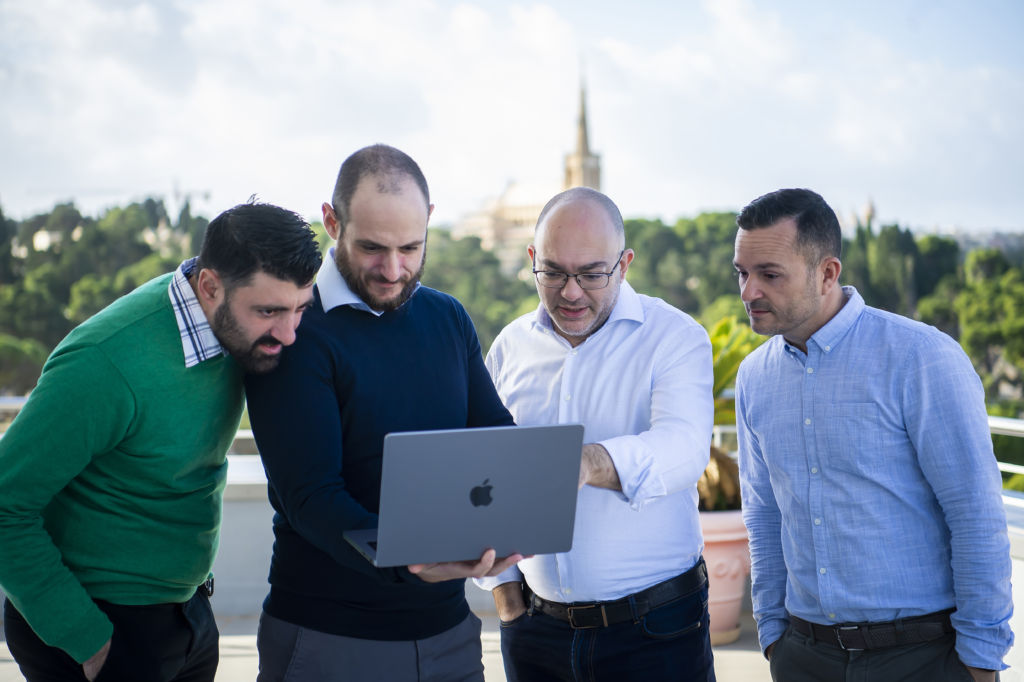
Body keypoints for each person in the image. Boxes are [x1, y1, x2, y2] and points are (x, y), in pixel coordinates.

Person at [0, 201, 322, 682]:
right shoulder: (103, 362)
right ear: (210, 286)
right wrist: (89, 640)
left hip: (187, 612)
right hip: (100, 627)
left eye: (301, 308)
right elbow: (5, 503)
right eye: (270, 311)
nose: (290, 332)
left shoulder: (242, 331)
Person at [243, 144, 521, 682]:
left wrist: (515, 514)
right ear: (331, 221)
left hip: (451, 635)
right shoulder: (293, 330)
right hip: (329, 642)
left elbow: (495, 442)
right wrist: (412, 561)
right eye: (372, 248)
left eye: (411, 248)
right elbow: (312, 499)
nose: (394, 270)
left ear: (430, 223)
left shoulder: (447, 317)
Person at [733, 188, 1013, 682]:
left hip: (922, 659)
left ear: (827, 273)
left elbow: (974, 513)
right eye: (742, 272)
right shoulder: (754, 377)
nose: (748, 292)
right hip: (803, 656)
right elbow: (763, 513)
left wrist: (980, 660)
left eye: (770, 275)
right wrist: (775, 635)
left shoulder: (921, 358)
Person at [475, 186, 717, 681]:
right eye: (554, 272)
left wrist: (587, 463)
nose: (571, 292)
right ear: (531, 259)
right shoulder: (508, 348)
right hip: (534, 631)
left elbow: (685, 449)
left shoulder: (675, 336)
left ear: (624, 264)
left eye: (591, 274)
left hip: (657, 632)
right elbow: (484, 466)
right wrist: (503, 592)